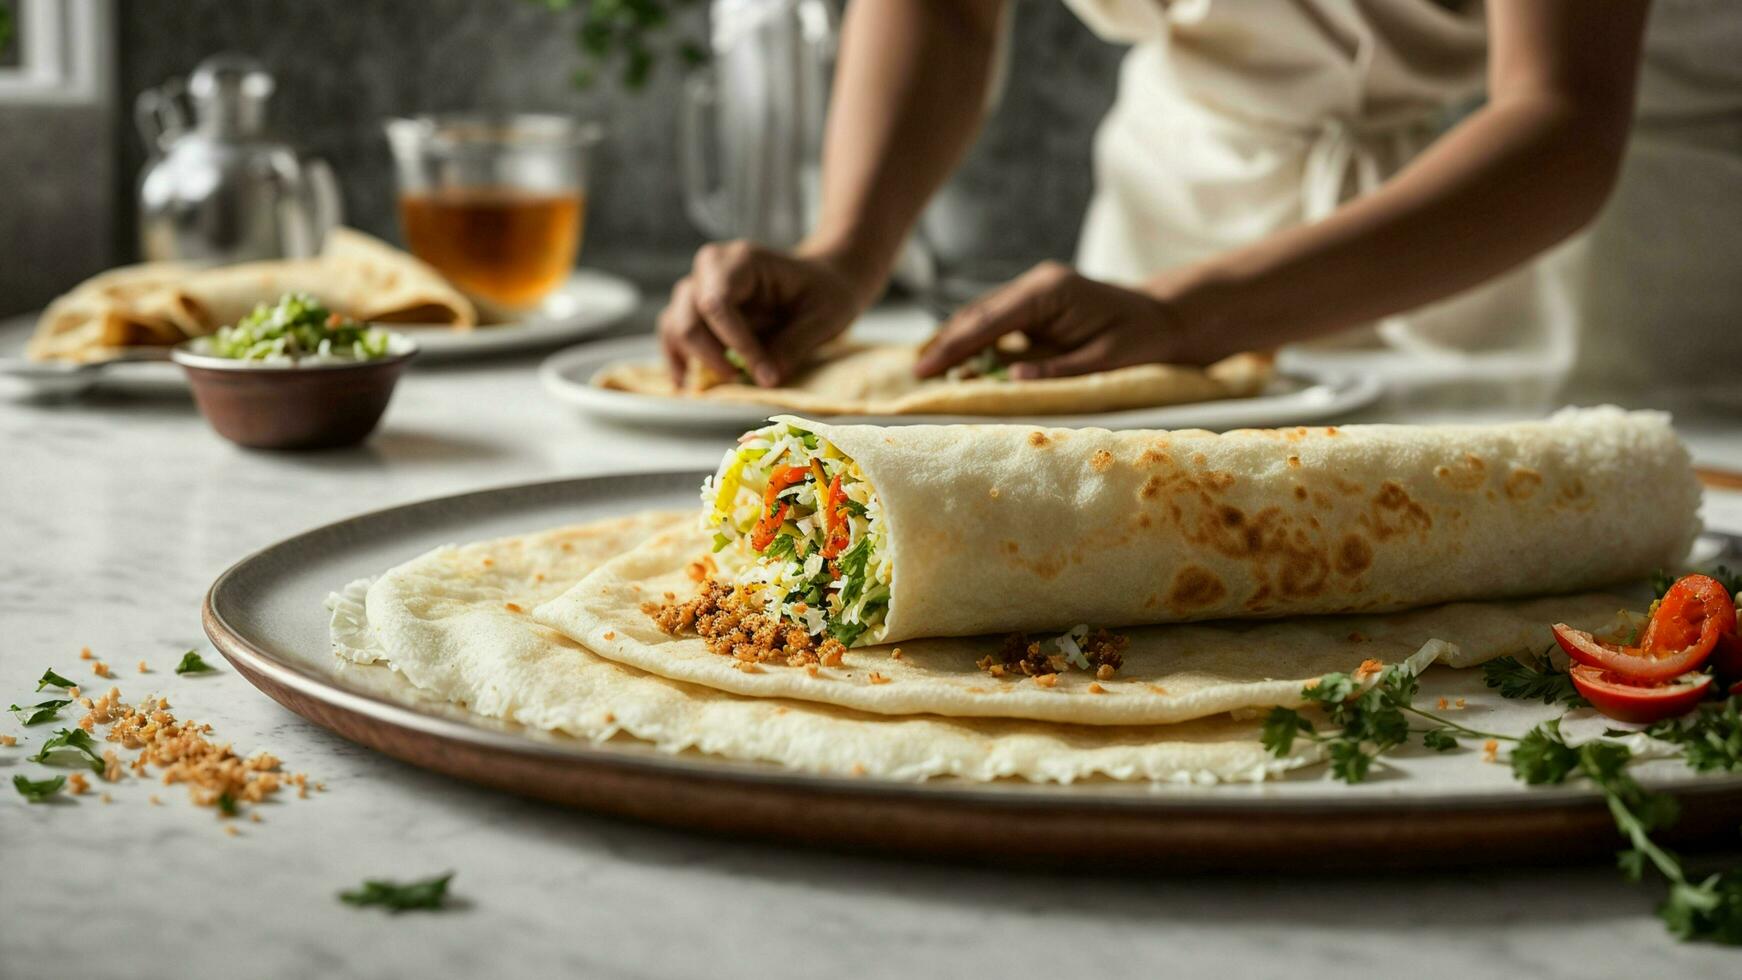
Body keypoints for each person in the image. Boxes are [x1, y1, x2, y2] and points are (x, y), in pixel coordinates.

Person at [658, 0, 1739, 403]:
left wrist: (1186, 312)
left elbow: (1556, 115)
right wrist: (846, 249)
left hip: (1538, 242)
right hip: (1184, 206)